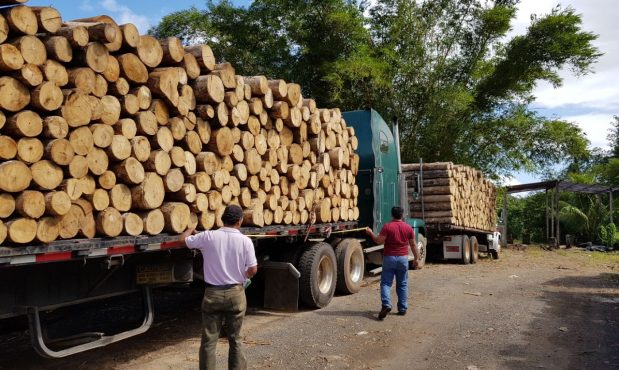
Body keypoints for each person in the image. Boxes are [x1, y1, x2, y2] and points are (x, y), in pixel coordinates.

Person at [181, 204, 258, 370]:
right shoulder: (245, 241)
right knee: (235, 339)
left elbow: (184, 241)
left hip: (212, 294)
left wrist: (191, 229)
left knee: (209, 341)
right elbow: (253, 269)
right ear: (240, 221)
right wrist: (244, 276)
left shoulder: (208, 237)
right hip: (236, 293)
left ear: (222, 219)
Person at [365, 206, 419, 319]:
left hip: (389, 258)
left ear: (392, 215)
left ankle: (386, 304)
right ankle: (403, 308)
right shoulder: (408, 228)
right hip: (403, 259)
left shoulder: (387, 226)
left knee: (385, 283)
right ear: (402, 215)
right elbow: (413, 245)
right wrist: (416, 258)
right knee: (402, 284)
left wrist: (370, 233)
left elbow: (378, 241)